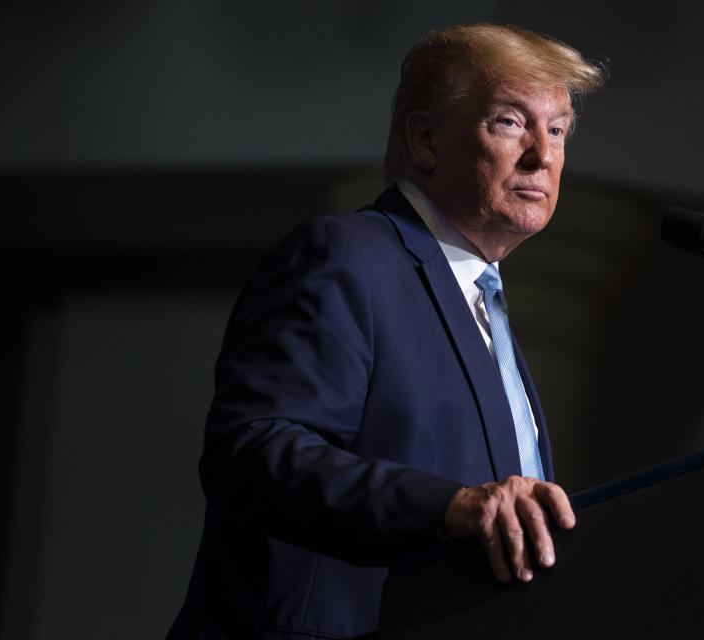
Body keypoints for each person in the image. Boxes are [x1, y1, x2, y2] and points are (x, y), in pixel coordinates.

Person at [168, 23, 606, 639]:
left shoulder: (486, 305)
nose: (543, 155)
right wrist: (449, 507)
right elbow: (253, 453)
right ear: (426, 140)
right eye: (510, 123)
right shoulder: (348, 255)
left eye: (557, 130)